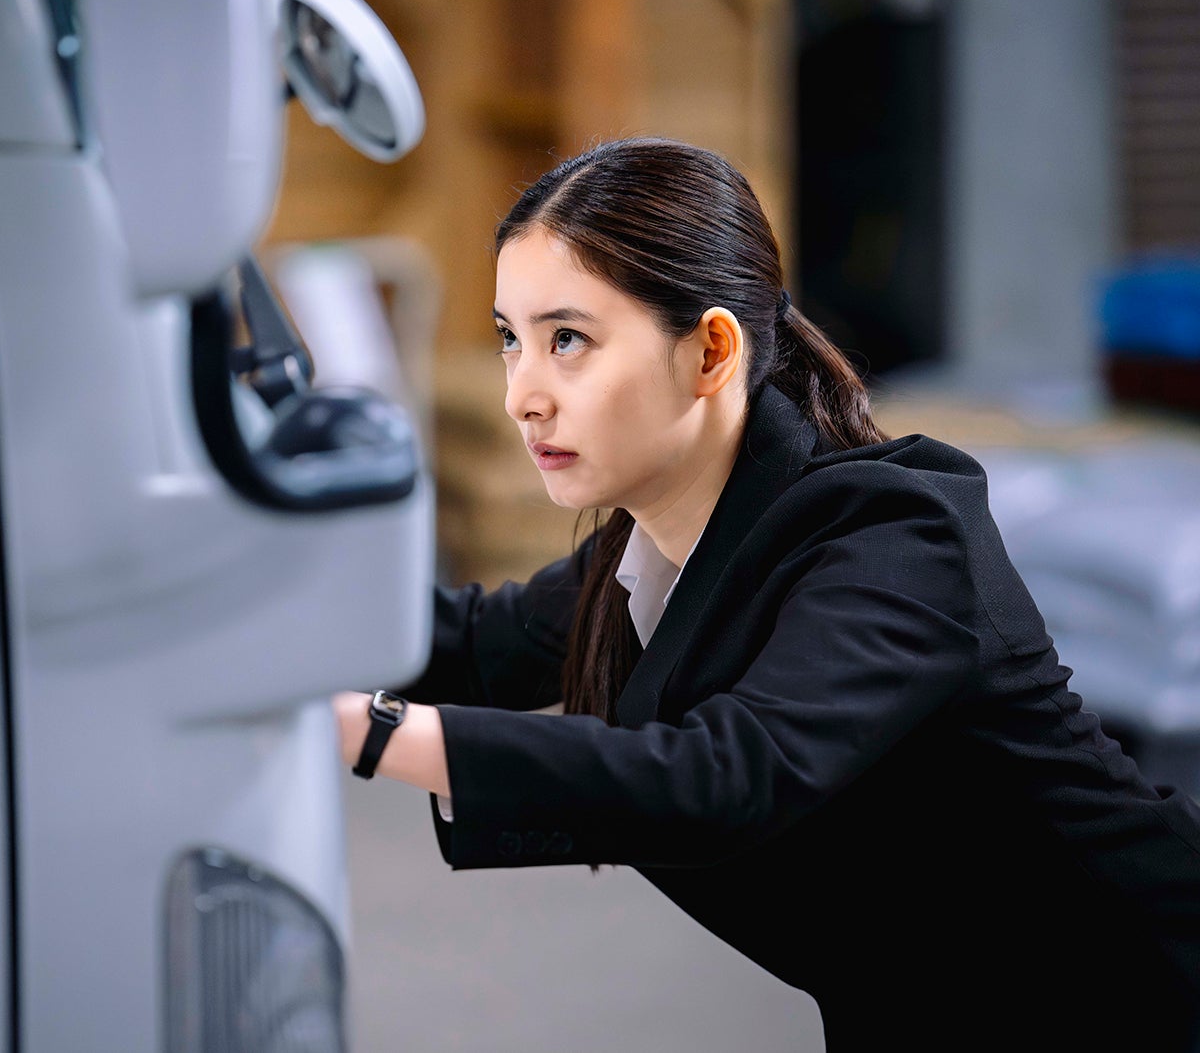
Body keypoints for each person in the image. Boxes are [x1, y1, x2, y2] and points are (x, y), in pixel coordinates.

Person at [332, 137, 1200, 1051]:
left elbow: (727, 775)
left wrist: (369, 732)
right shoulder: (656, 545)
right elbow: (475, 641)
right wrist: (260, 627)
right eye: (512, 339)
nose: (522, 395)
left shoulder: (896, 538)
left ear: (711, 350)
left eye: (568, 340)